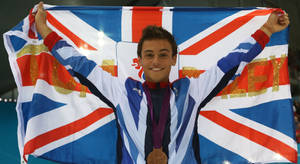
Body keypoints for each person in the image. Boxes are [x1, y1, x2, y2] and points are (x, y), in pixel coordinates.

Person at [34, 2, 289, 164]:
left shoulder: (192, 90)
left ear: (173, 58)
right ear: (140, 60)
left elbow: (233, 61)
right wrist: (44, 30)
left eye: (163, 54)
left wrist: (265, 30)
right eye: (150, 55)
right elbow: (79, 65)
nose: (156, 61)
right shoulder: (122, 91)